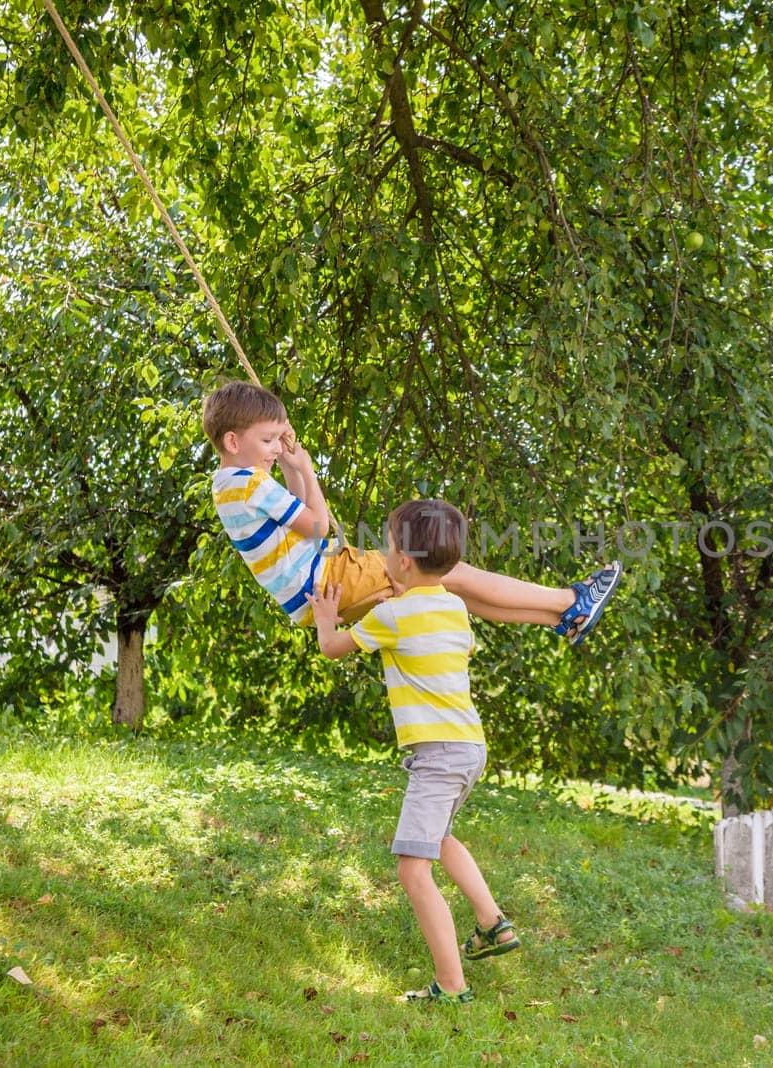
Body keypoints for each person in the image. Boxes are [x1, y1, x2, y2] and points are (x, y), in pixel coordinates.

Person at [203, 380, 621, 640]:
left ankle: (563, 618)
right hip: (331, 578)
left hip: (316, 593)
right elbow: (316, 526)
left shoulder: (230, 486)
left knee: (446, 587)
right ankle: (570, 598)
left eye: (280, 439)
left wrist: (295, 471)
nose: (278, 449)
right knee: (448, 569)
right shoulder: (251, 483)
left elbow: (299, 522)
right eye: (269, 441)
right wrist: (308, 470)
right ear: (233, 442)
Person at [308, 499, 520, 1005]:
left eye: (387, 545)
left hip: (439, 755)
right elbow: (435, 632)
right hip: (468, 748)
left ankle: (451, 987)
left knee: (412, 867)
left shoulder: (392, 615)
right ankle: (493, 925)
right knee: (440, 838)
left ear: (402, 561)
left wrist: (325, 618)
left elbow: (333, 648)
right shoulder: (452, 606)